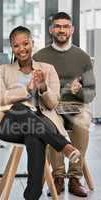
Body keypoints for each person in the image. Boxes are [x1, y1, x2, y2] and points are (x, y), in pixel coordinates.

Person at [0, 26, 81, 200]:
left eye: (25, 43)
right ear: (12, 48)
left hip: (41, 122)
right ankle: (64, 146)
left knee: (34, 136)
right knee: (19, 108)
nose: (21, 49)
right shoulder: (2, 70)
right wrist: (27, 88)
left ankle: (32, 196)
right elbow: (1, 98)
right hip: (9, 125)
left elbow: (53, 103)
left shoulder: (47, 69)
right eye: (16, 45)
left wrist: (42, 87)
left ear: (32, 43)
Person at [33, 12, 96, 197]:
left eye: (65, 26)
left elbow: (91, 93)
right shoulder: (39, 56)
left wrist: (79, 91)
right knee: (52, 122)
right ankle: (58, 176)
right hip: (51, 106)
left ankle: (75, 178)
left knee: (83, 120)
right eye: (58, 26)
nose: (62, 30)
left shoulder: (83, 57)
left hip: (76, 107)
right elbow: (32, 90)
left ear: (72, 30)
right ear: (51, 29)